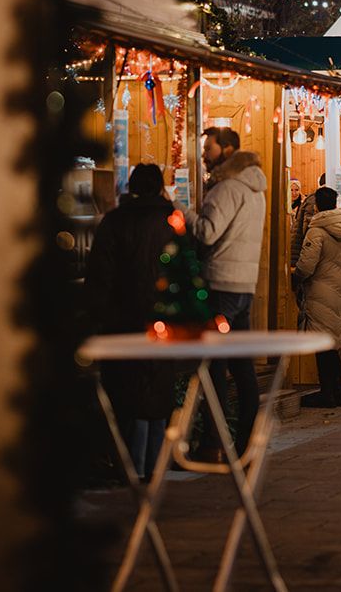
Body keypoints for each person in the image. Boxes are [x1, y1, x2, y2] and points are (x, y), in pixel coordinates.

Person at [84, 164, 179, 477]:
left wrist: (96, 316)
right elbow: (187, 270)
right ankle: (155, 463)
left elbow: (100, 275)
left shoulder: (115, 221)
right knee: (158, 387)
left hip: (122, 319)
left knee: (127, 391)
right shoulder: (172, 220)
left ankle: (132, 466)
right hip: (165, 320)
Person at [190, 127, 266, 455]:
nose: (204, 154)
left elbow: (206, 233)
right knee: (241, 366)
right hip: (244, 284)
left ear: (228, 149)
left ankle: (212, 444)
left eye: (209, 148)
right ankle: (245, 441)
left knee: (214, 366)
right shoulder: (255, 187)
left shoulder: (227, 188)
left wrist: (182, 212)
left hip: (220, 282)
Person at [294, 187, 341, 408]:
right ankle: (338, 392)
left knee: (322, 344)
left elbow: (306, 266)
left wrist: (296, 277)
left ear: (317, 205)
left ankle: (327, 393)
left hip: (319, 291)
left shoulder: (317, 231)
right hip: (339, 289)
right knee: (333, 343)